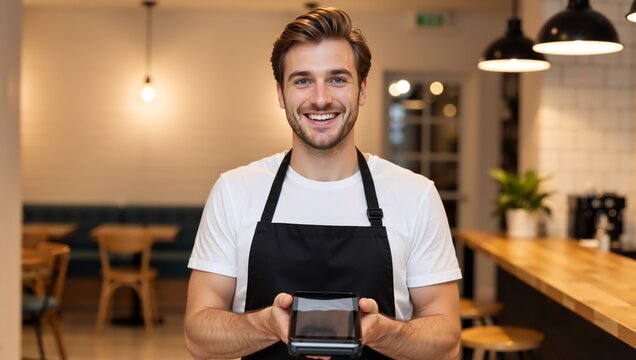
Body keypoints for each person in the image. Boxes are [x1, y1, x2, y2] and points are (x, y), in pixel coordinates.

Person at [184, 7, 462, 360]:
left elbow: (447, 343)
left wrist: (381, 331)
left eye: (337, 79)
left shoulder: (416, 195)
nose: (320, 98)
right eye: (302, 80)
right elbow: (197, 337)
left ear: (361, 90)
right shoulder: (234, 191)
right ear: (281, 94)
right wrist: (267, 325)